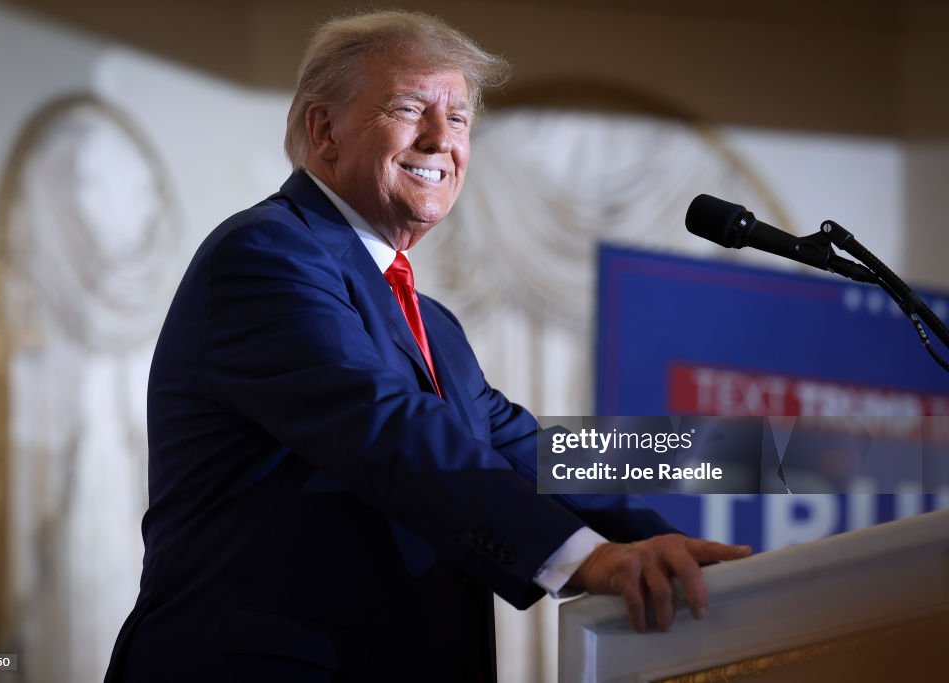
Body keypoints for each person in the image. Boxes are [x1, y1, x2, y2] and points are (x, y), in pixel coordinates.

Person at [105, 10, 751, 682]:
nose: (443, 138)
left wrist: (661, 540)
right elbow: (387, 427)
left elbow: (524, 449)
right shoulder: (266, 255)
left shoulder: (432, 322)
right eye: (411, 108)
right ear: (324, 131)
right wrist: (582, 555)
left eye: (461, 117)